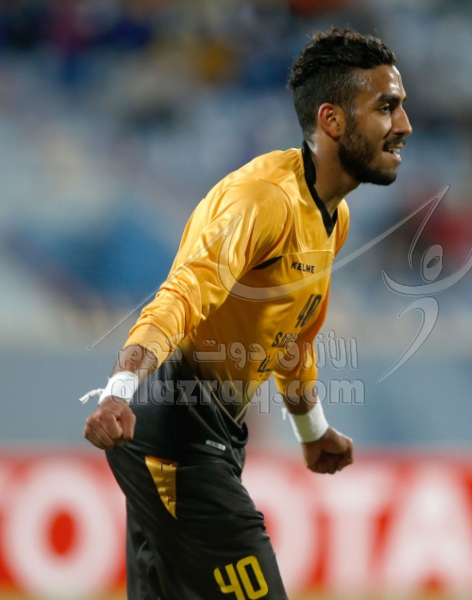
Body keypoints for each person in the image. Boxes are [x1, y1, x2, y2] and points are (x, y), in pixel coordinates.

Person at [81, 27, 411, 600]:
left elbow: (294, 338)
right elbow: (182, 294)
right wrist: (118, 390)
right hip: (176, 438)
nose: (404, 125)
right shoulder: (261, 200)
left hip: (211, 437)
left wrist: (312, 431)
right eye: (386, 107)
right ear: (332, 120)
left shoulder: (333, 218)